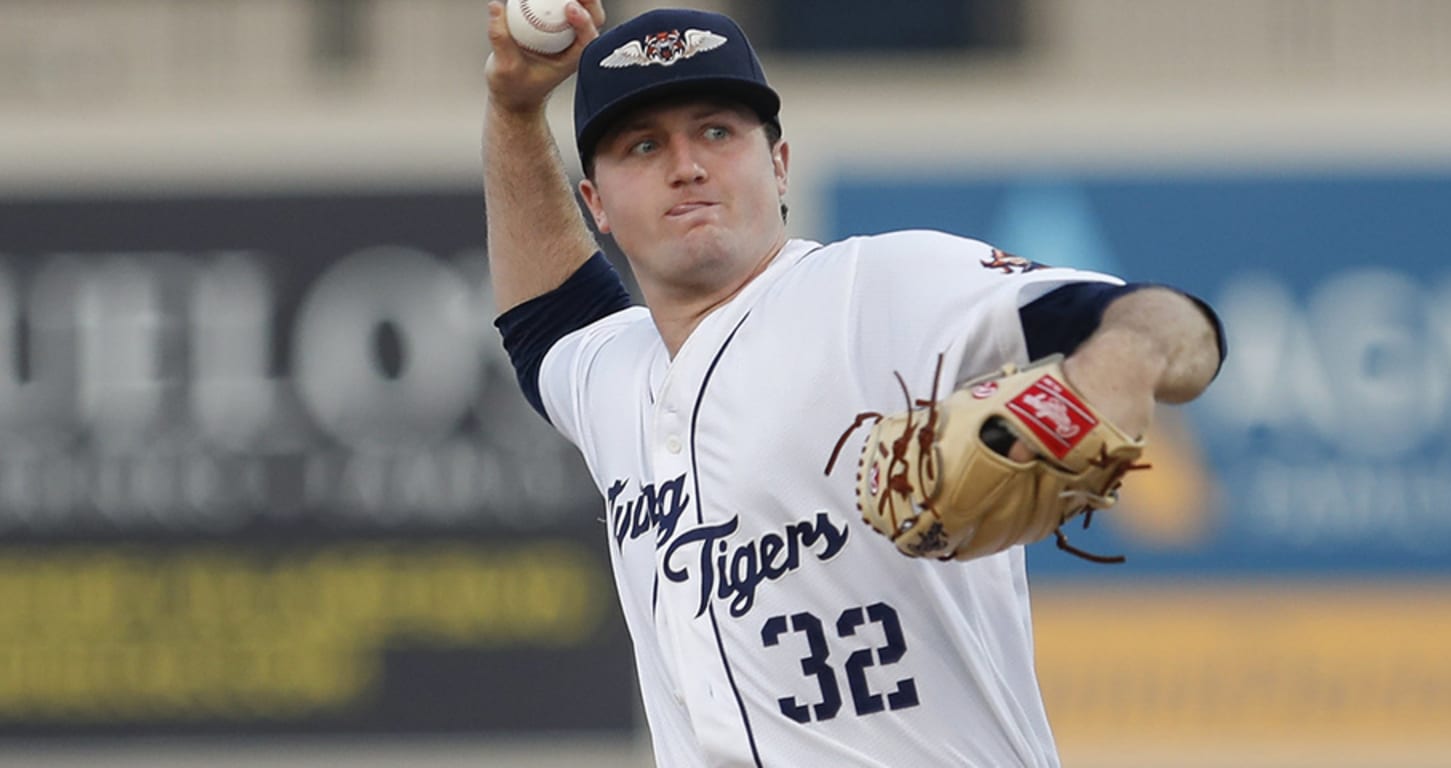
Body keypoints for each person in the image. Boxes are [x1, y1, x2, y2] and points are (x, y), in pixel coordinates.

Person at [483, 3, 1225, 766]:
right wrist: (513, 109)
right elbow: (544, 323)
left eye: (716, 130)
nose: (687, 164)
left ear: (778, 165)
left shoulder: (878, 287)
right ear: (597, 206)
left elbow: (1167, 321)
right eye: (643, 146)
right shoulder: (613, 373)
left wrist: (1111, 379)